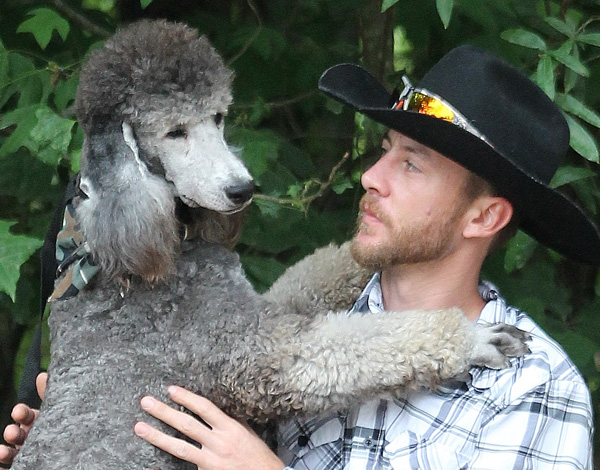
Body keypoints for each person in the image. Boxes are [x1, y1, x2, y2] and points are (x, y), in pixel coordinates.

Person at [2, 45, 597, 469]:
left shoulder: (533, 389)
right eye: (385, 149)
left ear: (484, 217)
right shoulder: (302, 322)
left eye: (412, 165)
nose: (371, 176)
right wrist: (79, 433)